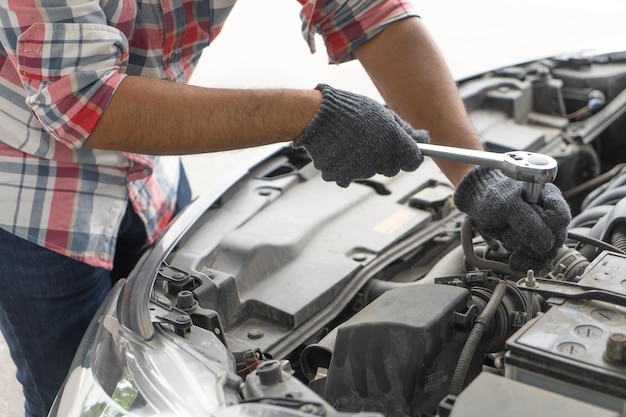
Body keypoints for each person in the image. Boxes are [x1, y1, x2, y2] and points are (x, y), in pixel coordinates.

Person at [0, 1, 571, 416]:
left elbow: (368, 11)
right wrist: (307, 116)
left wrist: (474, 173)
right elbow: (86, 100)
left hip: (148, 169)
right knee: (70, 390)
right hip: (33, 197)